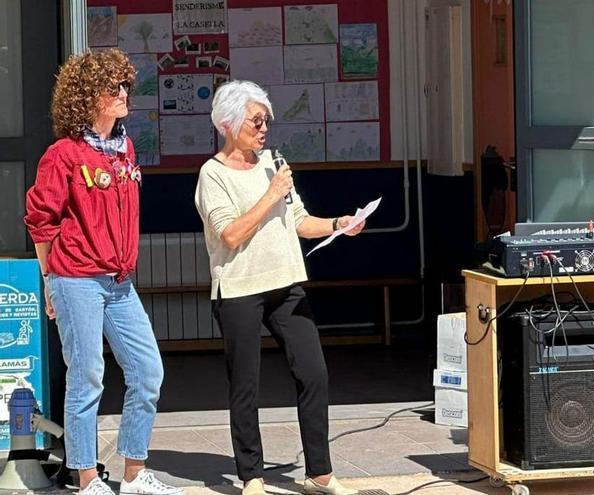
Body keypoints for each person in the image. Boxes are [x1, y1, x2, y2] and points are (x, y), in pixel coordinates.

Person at [194, 80, 365, 495]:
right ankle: (251, 476)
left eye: (266, 120)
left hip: (286, 283)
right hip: (239, 289)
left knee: (314, 373)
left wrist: (341, 224)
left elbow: (300, 221)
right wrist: (270, 194)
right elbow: (230, 235)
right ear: (229, 123)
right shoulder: (212, 174)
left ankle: (320, 473)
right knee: (246, 384)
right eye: (256, 120)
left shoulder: (275, 162)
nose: (264, 127)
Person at [24, 49, 181, 495]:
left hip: (119, 282)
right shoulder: (63, 154)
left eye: (125, 85)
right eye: (112, 87)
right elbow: (41, 220)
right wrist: (50, 282)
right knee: (88, 374)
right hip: (76, 279)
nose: (123, 93)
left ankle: (134, 475)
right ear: (86, 97)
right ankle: (87, 476)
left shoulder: (125, 148)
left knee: (148, 371)